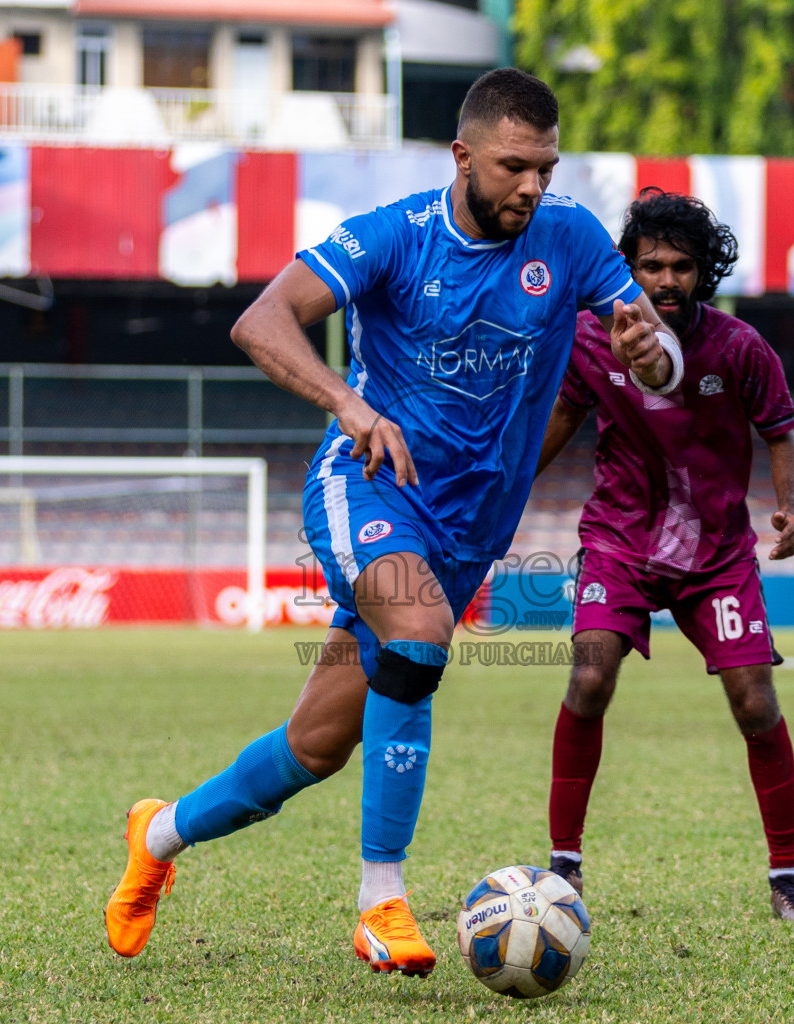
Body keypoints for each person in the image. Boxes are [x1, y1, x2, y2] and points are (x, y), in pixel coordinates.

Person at [104, 69, 683, 977]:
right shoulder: (394, 236)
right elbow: (262, 321)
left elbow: (652, 347)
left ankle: (159, 834)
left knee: (315, 748)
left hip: (468, 533)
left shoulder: (568, 235)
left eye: (546, 167)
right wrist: (347, 403)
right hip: (371, 486)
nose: (531, 187)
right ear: (463, 156)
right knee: (416, 641)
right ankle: (382, 901)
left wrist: (654, 355)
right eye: (512, 166)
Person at [537, 188, 794, 922]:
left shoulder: (738, 349)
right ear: (627, 268)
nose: (666, 280)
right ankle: (563, 866)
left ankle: (787, 878)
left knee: (755, 702)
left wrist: (789, 507)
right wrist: (497, 498)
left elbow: (781, 435)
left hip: (717, 554)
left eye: (683, 267)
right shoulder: (592, 338)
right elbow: (561, 422)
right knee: (590, 677)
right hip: (619, 541)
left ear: (704, 273)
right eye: (651, 265)